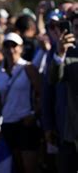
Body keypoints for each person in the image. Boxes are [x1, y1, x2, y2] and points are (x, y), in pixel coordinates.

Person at [0, 33, 41, 173]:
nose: (10, 49)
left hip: (26, 124)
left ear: (21, 48)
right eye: (7, 45)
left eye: (14, 45)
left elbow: (41, 94)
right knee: (14, 167)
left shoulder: (29, 68)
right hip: (8, 125)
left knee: (29, 167)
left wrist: (34, 114)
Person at [49, 11, 78, 172]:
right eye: (76, 27)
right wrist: (60, 53)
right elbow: (53, 79)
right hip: (73, 134)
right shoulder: (67, 53)